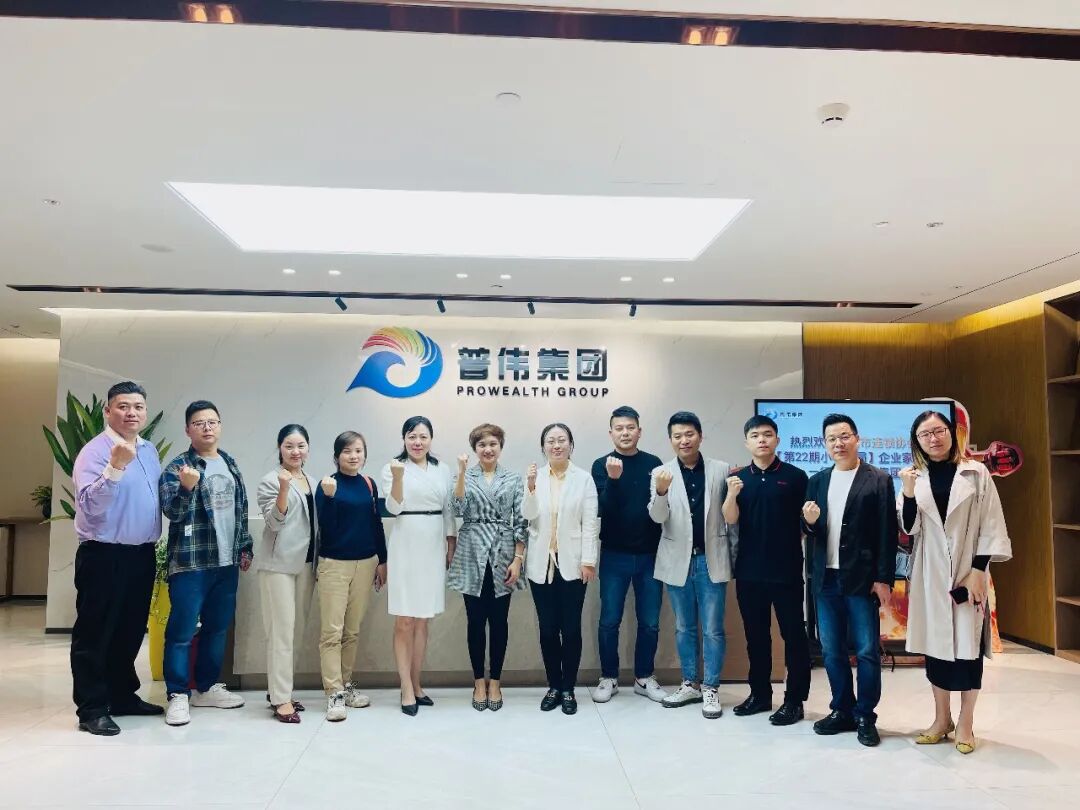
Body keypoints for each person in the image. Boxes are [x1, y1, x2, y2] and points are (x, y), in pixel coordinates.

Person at [899, 411, 1012, 755]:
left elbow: (991, 523)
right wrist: (907, 493)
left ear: (952, 433)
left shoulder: (976, 473)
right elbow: (909, 528)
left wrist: (978, 570)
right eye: (925, 434)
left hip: (968, 571)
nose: (933, 438)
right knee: (936, 650)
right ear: (917, 441)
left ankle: (965, 722)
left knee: (968, 649)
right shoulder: (914, 477)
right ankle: (941, 719)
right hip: (931, 573)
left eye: (939, 431)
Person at [69, 381, 163, 736]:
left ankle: (122, 696)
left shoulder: (149, 450)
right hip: (103, 554)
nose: (131, 413)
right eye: (123, 406)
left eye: (138, 406)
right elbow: (89, 507)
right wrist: (114, 468)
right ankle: (92, 708)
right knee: (95, 632)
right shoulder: (94, 452)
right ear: (108, 411)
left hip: (141, 554)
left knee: (129, 629)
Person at [802, 413, 897, 747]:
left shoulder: (878, 479)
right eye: (831, 439)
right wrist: (809, 523)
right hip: (825, 578)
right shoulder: (817, 481)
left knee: (868, 651)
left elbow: (887, 532)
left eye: (844, 436)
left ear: (857, 439)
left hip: (862, 577)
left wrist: (884, 578)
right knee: (831, 650)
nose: (838, 443)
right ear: (824, 444)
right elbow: (810, 529)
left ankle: (865, 715)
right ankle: (841, 709)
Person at [159, 400, 252, 727]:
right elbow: (172, 513)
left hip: (226, 563)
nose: (207, 428)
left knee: (217, 628)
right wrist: (186, 488)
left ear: (220, 426)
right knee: (182, 631)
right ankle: (177, 694)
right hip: (191, 563)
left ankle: (206, 688)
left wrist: (245, 546)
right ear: (188, 430)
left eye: (212, 422)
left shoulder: (229, 462)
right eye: (199, 423)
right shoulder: (177, 467)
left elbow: (240, 509)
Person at [723, 414, 811, 726]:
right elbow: (730, 518)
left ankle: (794, 700)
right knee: (756, 636)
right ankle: (760, 694)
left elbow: (806, 522)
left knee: (794, 636)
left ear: (777, 439)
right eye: (755, 435)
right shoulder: (736, 478)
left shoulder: (796, 476)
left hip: (787, 570)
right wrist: (731, 494)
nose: (762, 440)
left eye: (767, 434)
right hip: (749, 571)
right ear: (746, 442)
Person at [649, 411, 735, 720]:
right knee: (684, 627)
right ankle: (690, 683)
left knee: (712, 629)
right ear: (670, 440)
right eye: (677, 436)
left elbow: (730, 515)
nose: (684, 440)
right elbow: (657, 517)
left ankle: (711, 687)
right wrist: (660, 491)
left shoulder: (721, 469)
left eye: (689, 434)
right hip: (678, 561)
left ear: (700, 436)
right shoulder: (661, 473)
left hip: (711, 559)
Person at [590, 405, 666, 704]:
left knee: (650, 621)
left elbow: (660, 507)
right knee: (610, 620)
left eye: (630, 427)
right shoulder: (601, 464)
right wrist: (613, 479)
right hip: (614, 555)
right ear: (611, 433)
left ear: (639, 431)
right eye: (619, 428)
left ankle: (644, 677)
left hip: (650, 555)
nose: (625, 433)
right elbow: (602, 509)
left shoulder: (654, 463)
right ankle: (608, 677)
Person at [382, 416, 457, 716]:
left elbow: (448, 509)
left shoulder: (442, 469)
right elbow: (393, 507)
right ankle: (404, 687)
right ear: (404, 439)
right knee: (405, 619)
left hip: (433, 542)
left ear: (431, 439)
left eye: (423, 437)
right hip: (405, 542)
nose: (417, 442)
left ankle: (417, 682)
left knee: (424, 619)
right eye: (412, 436)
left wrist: (451, 540)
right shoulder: (392, 467)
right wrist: (398, 478)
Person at [522, 423, 599, 715]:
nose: (556, 445)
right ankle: (553, 686)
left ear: (571, 445)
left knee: (571, 628)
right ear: (543, 447)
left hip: (574, 564)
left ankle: (568, 688)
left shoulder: (584, 479)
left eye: (562, 440)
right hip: (540, 564)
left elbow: (590, 523)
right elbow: (528, 515)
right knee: (547, 629)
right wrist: (530, 488)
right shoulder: (535, 477)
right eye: (551, 441)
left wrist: (588, 560)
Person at [449, 423, 527, 712]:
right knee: (475, 621)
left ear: (500, 447)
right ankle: (478, 682)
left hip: (503, 551)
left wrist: (518, 559)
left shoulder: (513, 478)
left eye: (493, 444)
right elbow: (457, 509)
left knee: (499, 621)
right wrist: (460, 473)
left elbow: (522, 520)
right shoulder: (464, 476)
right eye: (482, 445)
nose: (488, 449)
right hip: (471, 550)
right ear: (475, 449)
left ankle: (495, 681)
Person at [316, 431, 387, 722]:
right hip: (334, 565)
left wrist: (382, 560)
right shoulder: (327, 485)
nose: (353, 456)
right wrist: (330, 497)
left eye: (358, 450)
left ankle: (346, 687)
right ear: (337, 456)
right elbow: (327, 527)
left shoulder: (368, 484)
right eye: (347, 451)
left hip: (366, 563)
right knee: (331, 633)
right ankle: (333, 693)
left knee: (352, 631)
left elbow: (376, 524)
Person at [254, 424, 318, 724]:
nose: (295, 451)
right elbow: (274, 522)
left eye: (301, 445)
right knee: (281, 632)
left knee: (296, 631)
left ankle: (281, 691)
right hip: (278, 564)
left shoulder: (313, 481)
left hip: (307, 563)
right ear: (279, 448)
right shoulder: (271, 480)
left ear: (308, 449)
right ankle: (281, 700)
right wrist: (283, 487)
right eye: (289, 446)